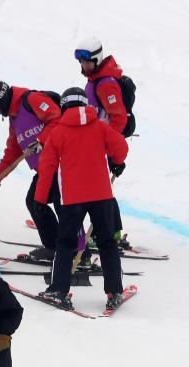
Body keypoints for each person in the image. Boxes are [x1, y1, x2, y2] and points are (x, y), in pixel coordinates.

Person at [34, 87, 129, 311]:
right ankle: (114, 291)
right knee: (107, 243)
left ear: (64, 106)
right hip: (102, 195)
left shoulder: (57, 132)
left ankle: (58, 290)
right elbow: (121, 148)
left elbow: (46, 168)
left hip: (72, 197)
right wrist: (116, 160)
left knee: (65, 244)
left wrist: (39, 199)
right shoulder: (100, 127)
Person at [0, 81, 62, 261]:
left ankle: (76, 251)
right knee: (35, 202)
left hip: (61, 165)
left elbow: (56, 118)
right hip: (44, 170)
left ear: (1, 102)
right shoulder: (14, 119)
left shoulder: (31, 100)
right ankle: (54, 246)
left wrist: (41, 141)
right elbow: (13, 152)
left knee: (64, 207)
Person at [75, 36, 135, 249]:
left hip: (105, 143)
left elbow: (119, 118)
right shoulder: (95, 79)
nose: (83, 65)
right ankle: (107, 230)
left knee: (100, 189)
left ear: (97, 59)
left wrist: (109, 146)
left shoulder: (106, 84)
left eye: (86, 61)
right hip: (97, 141)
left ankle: (110, 232)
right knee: (98, 189)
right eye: (80, 61)